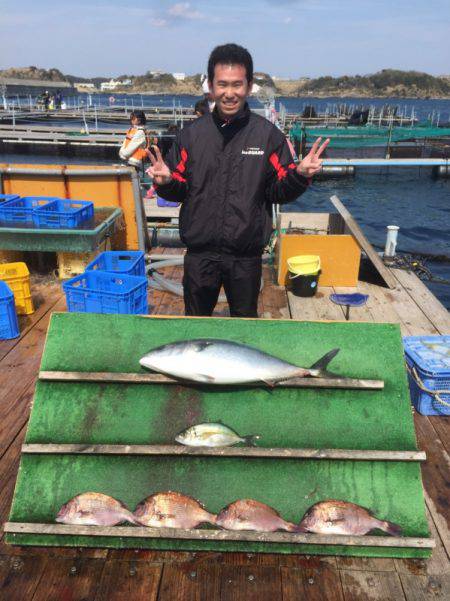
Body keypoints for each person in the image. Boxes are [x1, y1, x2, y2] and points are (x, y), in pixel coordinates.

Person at [148, 43, 329, 318]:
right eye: (222, 84)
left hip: (245, 258)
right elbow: (180, 188)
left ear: (249, 85)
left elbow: (277, 190)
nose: (229, 93)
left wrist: (300, 175)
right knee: (195, 324)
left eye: (237, 85)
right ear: (210, 85)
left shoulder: (267, 136)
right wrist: (165, 181)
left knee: (245, 323)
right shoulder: (192, 135)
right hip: (200, 256)